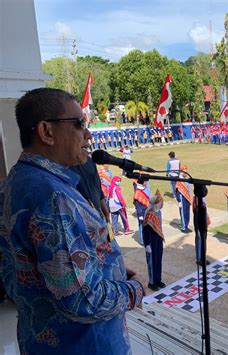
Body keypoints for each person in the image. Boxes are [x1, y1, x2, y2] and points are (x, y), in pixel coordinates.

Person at [0, 88, 144, 354]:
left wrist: (111, 272)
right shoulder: (54, 198)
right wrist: (133, 290)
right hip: (85, 343)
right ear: (46, 132)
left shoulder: (16, 181)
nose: (88, 134)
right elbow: (82, 301)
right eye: (79, 124)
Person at [143, 189, 166, 291]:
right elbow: (146, 230)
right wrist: (147, 244)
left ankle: (158, 280)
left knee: (158, 260)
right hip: (151, 241)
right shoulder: (149, 215)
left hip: (158, 240)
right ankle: (152, 282)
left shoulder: (159, 213)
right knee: (152, 262)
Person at [175, 165, 193, 233]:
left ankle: (186, 226)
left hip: (187, 198)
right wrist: (179, 201)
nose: (186, 173)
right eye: (184, 172)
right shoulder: (179, 181)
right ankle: (183, 227)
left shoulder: (186, 179)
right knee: (183, 212)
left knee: (187, 212)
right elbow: (177, 191)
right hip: (182, 198)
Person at [133, 177, 150, 245]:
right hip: (141, 212)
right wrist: (140, 215)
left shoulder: (145, 189)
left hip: (146, 210)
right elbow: (137, 205)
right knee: (141, 225)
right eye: (145, 182)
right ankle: (142, 240)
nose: (146, 183)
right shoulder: (137, 192)